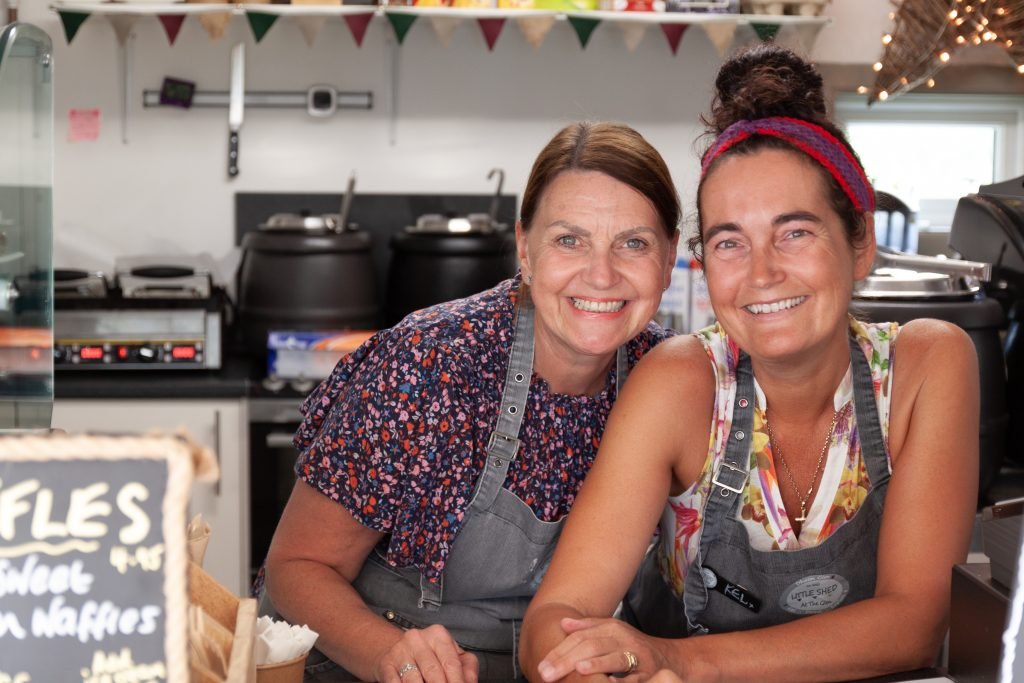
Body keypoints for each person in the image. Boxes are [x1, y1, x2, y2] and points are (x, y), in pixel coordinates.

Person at [520, 45, 979, 683]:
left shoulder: (927, 365)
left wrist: (676, 658)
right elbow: (558, 616)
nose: (762, 274)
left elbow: (914, 625)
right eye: (731, 241)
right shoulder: (681, 382)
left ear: (861, 243)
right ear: (704, 265)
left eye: (795, 232)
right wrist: (577, 664)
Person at [263, 121, 682, 683]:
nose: (601, 274)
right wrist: (389, 653)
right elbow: (295, 566)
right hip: (371, 659)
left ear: (670, 255)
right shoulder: (431, 362)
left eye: (634, 243)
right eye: (568, 239)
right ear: (524, 249)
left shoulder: (670, 382)